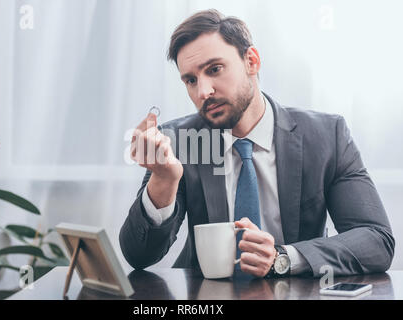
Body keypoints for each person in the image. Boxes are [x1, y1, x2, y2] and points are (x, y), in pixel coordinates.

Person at [119, 9, 394, 278]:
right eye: (191, 80)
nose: (203, 91)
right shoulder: (180, 141)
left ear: (251, 61)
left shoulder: (326, 135)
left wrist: (283, 257)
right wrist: (164, 179)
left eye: (214, 69)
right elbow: (139, 256)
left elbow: (376, 240)